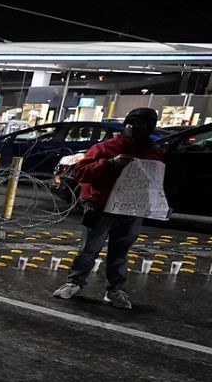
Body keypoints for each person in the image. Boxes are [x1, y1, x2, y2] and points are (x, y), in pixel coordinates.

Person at [52, 107, 162, 310]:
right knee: (88, 249)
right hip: (100, 208)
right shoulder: (106, 147)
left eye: (141, 124)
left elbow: (157, 182)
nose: (135, 128)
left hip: (131, 211)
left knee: (119, 253)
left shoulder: (153, 153)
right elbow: (81, 172)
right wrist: (110, 163)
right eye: (131, 123)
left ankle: (115, 290)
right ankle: (74, 283)